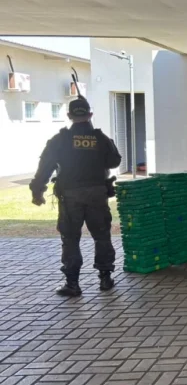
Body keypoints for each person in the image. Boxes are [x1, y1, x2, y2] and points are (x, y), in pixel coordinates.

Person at [29, 97, 122, 296]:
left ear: (69, 115)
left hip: (70, 196)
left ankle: (72, 284)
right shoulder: (101, 138)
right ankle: (105, 278)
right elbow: (114, 161)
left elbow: (45, 167)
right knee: (102, 236)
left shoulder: (59, 140)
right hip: (97, 194)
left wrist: (37, 190)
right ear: (90, 115)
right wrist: (102, 143)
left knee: (70, 238)